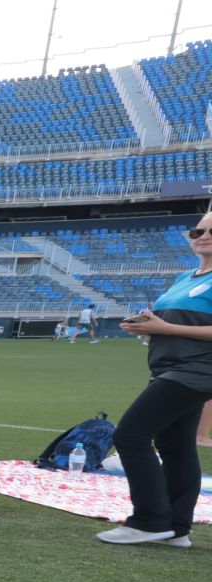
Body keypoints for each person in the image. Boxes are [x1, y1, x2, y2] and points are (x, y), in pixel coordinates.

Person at [97, 212, 212, 545]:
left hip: (197, 369)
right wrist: (147, 326)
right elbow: (176, 323)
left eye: (211, 231)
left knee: (130, 436)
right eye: (198, 231)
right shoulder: (186, 277)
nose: (203, 236)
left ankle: (149, 520)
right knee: (175, 445)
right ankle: (176, 527)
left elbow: (177, 327)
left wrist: (166, 328)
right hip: (169, 366)